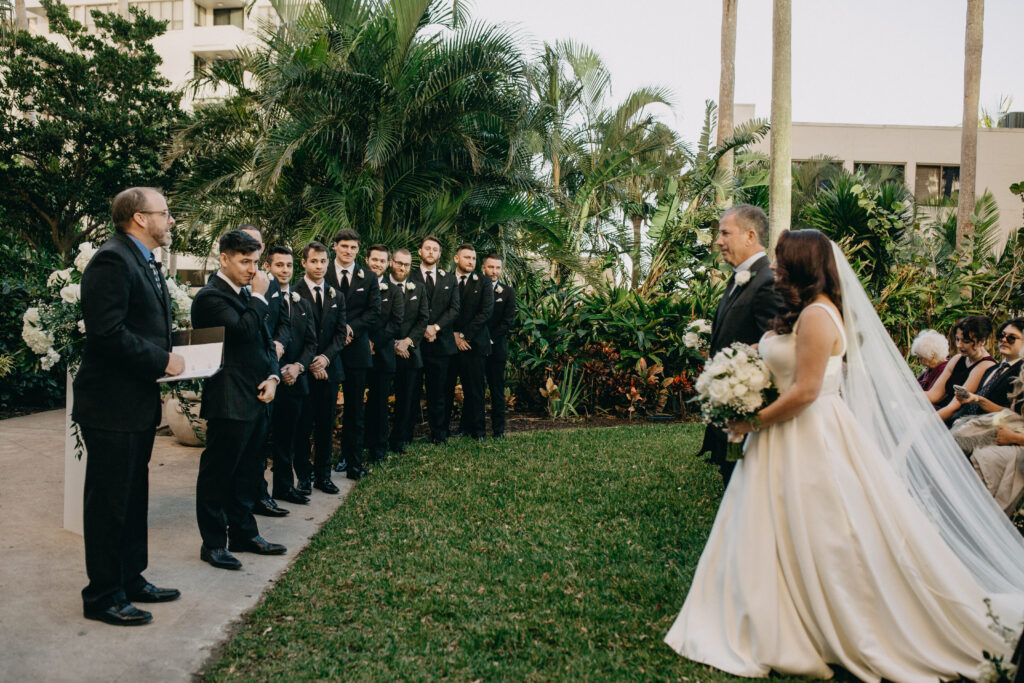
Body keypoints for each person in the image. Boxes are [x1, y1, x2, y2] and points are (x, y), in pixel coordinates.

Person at [664, 229, 1024, 681]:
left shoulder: (818, 315)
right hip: (781, 434)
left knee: (824, 529)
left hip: (806, 433)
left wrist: (750, 422)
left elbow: (808, 392)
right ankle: (762, 609)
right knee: (767, 524)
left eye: (780, 259)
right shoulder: (804, 313)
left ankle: (818, 617)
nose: (774, 267)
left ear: (802, 264)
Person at [73, 187, 184, 626]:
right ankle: (102, 595)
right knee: (108, 504)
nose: (170, 220)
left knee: (133, 498)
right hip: (110, 406)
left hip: (135, 402)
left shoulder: (142, 259)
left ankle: (130, 578)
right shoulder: (113, 259)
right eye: (165, 213)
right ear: (140, 218)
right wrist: (163, 360)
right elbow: (107, 332)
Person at [191, 230, 286, 571]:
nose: (252, 269)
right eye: (245, 261)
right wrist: (259, 298)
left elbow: (265, 342)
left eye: (255, 262)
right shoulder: (209, 298)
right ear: (224, 259)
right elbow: (242, 331)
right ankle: (213, 543)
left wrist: (274, 377)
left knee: (248, 472)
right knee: (218, 474)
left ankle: (244, 533)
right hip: (228, 398)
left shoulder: (247, 292)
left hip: (258, 394)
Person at [699, 205, 782, 486]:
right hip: (730, 410)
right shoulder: (739, 278)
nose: (718, 241)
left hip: (748, 414)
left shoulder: (766, 282)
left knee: (744, 484)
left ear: (750, 236)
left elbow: (774, 349)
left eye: (725, 233)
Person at [238, 225, 291, 518]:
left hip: (269, 367)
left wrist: (280, 343)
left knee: (262, 441)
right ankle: (245, 498)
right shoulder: (229, 286)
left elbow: (284, 322)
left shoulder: (269, 284)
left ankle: (260, 496)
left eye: (256, 246)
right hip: (242, 373)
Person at [292, 242, 347, 495]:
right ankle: (303, 475)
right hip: (303, 371)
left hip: (329, 369)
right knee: (303, 425)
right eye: (314, 261)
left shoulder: (337, 295)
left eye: (323, 261)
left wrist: (325, 358)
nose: (319, 266)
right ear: (304, 263)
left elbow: (339, 334)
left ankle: (324, 476)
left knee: (325, 426)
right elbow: (294, 334)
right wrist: (312, 363)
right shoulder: (294, 293)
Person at [326, 228, 381, 481]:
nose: (348, 251)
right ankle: (324, 462)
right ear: (334, 246)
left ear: (359, 250)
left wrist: (351, 328)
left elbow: (374, 311)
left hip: (357, 349)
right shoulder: (322, 272)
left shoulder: (368, 277)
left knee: (355, 408)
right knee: (325, 407)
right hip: (329, 350)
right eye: (344, 246)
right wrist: (338, 330)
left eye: (353, 247)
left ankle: (353, 461)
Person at [265, 246, 317, 505]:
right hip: (268, 379)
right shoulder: (261, 299)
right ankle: (259, 492)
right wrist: (280, 369)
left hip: (295, 379)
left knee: (289, 436)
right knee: (263, 440)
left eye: (288, 265)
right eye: (279, 266)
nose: (285, 270)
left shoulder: (301, 302)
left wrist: (297, 367)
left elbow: (311, 343)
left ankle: (284, 487)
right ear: (268, 268)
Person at [409, 236, 461, 444]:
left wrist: (436, 328)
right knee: (410, 390)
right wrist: (423, 330)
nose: (431, 252)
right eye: (427, 248)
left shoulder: (449, 279)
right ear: (420, 252)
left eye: (435, 249)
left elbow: (455, 309)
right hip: (415, 344)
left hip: (441, 344)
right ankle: (406, 434)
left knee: (438, 391)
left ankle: (438, 433)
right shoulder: (409, 276)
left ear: (440, 254)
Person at [444, 244, 493, 441]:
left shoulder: (483, 282)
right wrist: (453, 336)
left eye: (473, 258)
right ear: (456, 259)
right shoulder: (445, 280)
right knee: (445, 389)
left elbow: (485, 312)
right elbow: (439, 311)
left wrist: (463, 336)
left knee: (475, 390)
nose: (471, 261)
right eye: (467, 257)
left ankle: (478, 431)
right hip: (448, 343)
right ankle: (442, 430)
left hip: (473, 344)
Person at [363, 243, 404, 464]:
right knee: (356, 405)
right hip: (358, 354)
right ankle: (356, 447)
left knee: (379, 405)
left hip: (383, 356)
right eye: (374, 260)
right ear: (367, 260)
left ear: (388, 263)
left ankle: (378, 449)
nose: (377, 264)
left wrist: (374, 343)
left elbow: (395, 323)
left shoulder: (395, 291)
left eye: (382, 261)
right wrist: (363, 342)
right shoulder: (357, 286)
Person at [388, 248, 429, 454]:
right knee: (378, 398)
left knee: (406, 399)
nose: (402, 268)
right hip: (385, 351)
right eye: (399, 263)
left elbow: (423, 319)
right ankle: (374, 439)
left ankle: (400, 439)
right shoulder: (379, 285)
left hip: (410, 352)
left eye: (406, 264)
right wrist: (393, 343)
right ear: (391, 263)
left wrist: (407, 342)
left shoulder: (418, 289)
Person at [949, 318, 1024, 424]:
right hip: (959, 423)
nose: (1004, 340)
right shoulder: (993, 369)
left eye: (1011, 338)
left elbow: (1015, 416)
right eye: (1001, 335)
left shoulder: (1021, 374)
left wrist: (977, 400)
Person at [925, 315, 996, 423]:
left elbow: (954, 406)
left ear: (982, 341)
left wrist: (925, 423)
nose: (959, 345)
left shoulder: (986, 365)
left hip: (956, 420)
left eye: (966, 341)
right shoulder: (957, 359)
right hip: (939, 412)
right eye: (957, 339)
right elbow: (934, 395)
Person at [482, 253, 515, 439]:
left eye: (497, 268)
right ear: (483, 268)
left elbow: (507, 321)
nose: (494, 271)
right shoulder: (475, 289)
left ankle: (498, 430)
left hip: (497, 348)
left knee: (497, 389)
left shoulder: (508, 292)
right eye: (490, 267)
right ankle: (473, 427)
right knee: (476, 389)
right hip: (476, 347)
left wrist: (489, 339)